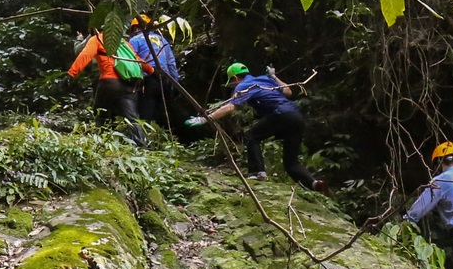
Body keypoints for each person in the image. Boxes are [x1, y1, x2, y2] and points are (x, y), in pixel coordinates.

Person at [205, 62, 327, 190]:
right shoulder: (265, 79)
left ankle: (258, 173)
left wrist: (206, 118)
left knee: (251, 137)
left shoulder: (243, 85)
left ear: (235, 78)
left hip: (280, 113)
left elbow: (230, 107)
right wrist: (274, 76)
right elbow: (288, 91)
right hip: (296, 116)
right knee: (291, 162)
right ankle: (314, 184)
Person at [67, 29, 151, 147]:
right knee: (132, 118)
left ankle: (101, 142)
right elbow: (138, 60)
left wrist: (72, 73)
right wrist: (151, 70)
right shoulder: (124, 44)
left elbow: (85, 55)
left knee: (101, 113)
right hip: (128, 84)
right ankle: (142, 145)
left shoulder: (98, 39)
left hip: (109, 83)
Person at [126, 14, 204, 136]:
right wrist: (176, 83)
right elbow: (171, 62)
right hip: (165, 79)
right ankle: (167, 137)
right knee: (163, 111)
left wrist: (131, 81)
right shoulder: (162, 40)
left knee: (146, 111)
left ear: (135, 29)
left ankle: (144, 140)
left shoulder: (134, 40)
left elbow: (131, 61)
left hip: (148, 79)